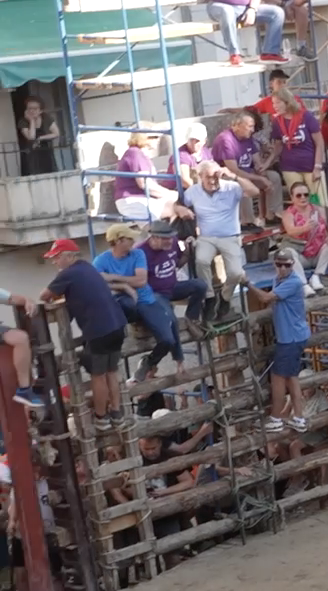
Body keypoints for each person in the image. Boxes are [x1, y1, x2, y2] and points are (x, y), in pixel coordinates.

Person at [39, 238, 129, 427]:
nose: (54, 262)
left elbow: (44, 296)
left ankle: (101, 417)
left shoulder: (68, 273)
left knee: (98, 375)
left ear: (69, 256)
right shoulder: (87, 267)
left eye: (56, 258)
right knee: (112, 372)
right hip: (118, 325)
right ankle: (117, 413)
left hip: (98, 330)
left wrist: (58, 294)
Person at [94, 223, 182, 385]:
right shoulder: (101, 260)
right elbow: (96, 283)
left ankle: (149, 361)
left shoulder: (138, 254)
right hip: (125, 302)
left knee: (168, 340)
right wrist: (124, 286)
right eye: (129, 239)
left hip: (146, 299)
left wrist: (111, 277)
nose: (133, 242)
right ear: (119, 241)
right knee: (119, 305)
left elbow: (141, 281)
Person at [178, 162, 259, 320]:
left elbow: (254, 191)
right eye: (208, 177)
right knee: (201, 260)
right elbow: (177, 203)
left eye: (216, 176)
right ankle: (209, 297)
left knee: (235, 272)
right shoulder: (193, 191)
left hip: (230, 236)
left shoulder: (231, 187)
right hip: (207, 237)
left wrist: (234, 176)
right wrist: (180, 208)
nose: (213, 180)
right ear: (200, 177)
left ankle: (225, 297)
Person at [245, 248, 311, 432]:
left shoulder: (293, 282)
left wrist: (247, 284)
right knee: (291, 377)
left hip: (290, 338)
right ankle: (298, 417)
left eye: (286, 265)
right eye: (279, 264)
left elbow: (266, 298)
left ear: (292, 266)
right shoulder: (278, 280)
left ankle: (276, 417)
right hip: (290, 336)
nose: (282, 268)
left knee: (278, 377)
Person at [280, 175, 328, 292]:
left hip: (318, 253)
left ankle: (317, 276)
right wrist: (305, 228)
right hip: (301, 255)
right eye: (299, 195)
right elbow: (291, 231)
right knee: (289, 253)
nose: (303, 198)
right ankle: (303, 284)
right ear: (292, 198)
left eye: (306, 195)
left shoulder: (319, 209)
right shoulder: (288, 214)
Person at [207, 0, 288, 66]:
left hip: (245, 7)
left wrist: (252, 9)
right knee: (227, 11)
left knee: (277, 13)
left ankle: (270, 53)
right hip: (220, 5)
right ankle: (234, 54)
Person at [17, 97, 60, 176]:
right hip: (31, 153)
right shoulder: (23, 121)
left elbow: (56, 133)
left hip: (45, 150)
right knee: (34, 172)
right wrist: (32, 121)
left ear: (41, 110)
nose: (32, 111)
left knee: (49, 171)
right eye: (29, 108)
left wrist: (41, 138)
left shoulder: (46, 118)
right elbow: (31, 137)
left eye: (35, 108)